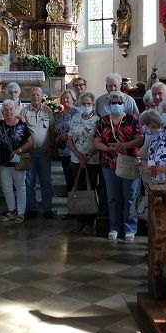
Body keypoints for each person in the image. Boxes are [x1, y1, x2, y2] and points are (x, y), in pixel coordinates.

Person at [93, 92, 144, 241]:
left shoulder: (132, 119)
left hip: (129, 162)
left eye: (119, 102)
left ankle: (130, 229)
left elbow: (140, 139)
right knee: (112, 197)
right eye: (113, 103)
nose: (116, 105)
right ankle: (114, 227)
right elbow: (96, 142)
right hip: (109, 164)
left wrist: (124, 145)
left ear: (124, 104)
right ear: (108, 105)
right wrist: (108, 148)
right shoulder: (102, 121)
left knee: (130, 197)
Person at [66, 92, 100, 234]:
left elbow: (98, 141)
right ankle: (78, 219)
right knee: (78, 190)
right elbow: (69, 140)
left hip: (91, 160)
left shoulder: (98, 120)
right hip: (76, 159)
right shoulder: (75, 118)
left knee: (90, 190)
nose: (86, 106)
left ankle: (89, 222)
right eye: (83, 104)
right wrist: (79, 155)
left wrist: (86, 156)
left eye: (89, 104)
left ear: (93, 105)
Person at [0, 99, 32, 223]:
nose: (8, 112)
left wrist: (18, 150)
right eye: (5, 110)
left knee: (20, 186)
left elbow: (30, 142)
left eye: (11, 109)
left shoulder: (21, 125)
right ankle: (12, 210)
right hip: (4, 162)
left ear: (15, 110)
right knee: (6, 187)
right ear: (2, 111)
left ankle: (21, 213)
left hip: (18, 160)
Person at [21, 87, 56, 219]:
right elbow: (21, 132)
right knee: (29, 182)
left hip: (44, 153)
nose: (35, 97)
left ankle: (47, 209)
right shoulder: (24, 111)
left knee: (46, 182)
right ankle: (32, 208)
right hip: (29, 153)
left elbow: (52, 131)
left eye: (38, 95)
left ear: (42, 96)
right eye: (33, 94)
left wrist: (51, 149)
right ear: (30, 96)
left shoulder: (48, 110)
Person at [54, 90, 80, 200]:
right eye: (63, 98)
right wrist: (57, 138)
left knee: (76, 180)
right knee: (68, 179)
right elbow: (55, 130)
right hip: (63, 151)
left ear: (73, 99)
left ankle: (79, 208)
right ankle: (71, 208)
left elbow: (80, 129)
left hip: (74, 151)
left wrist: (68, 135)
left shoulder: (77, 112)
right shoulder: (59, 115)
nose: (65, 100)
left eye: (68, 98)